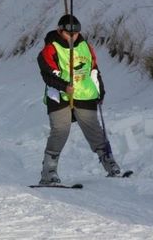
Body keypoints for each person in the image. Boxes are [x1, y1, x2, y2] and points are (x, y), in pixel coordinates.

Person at [36, 14, 121, 185]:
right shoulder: (50, 49)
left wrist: (100, 91)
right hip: (59, 95)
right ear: (60, 31)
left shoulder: (85, 47)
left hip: (84, 93)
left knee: (94, 130)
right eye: (69, 33)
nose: (73, 36)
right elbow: (47, 74)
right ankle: (49, 171)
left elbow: (94, 70)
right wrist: (64, 86)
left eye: (75, 33)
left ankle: (110, 164)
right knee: (60, 130)